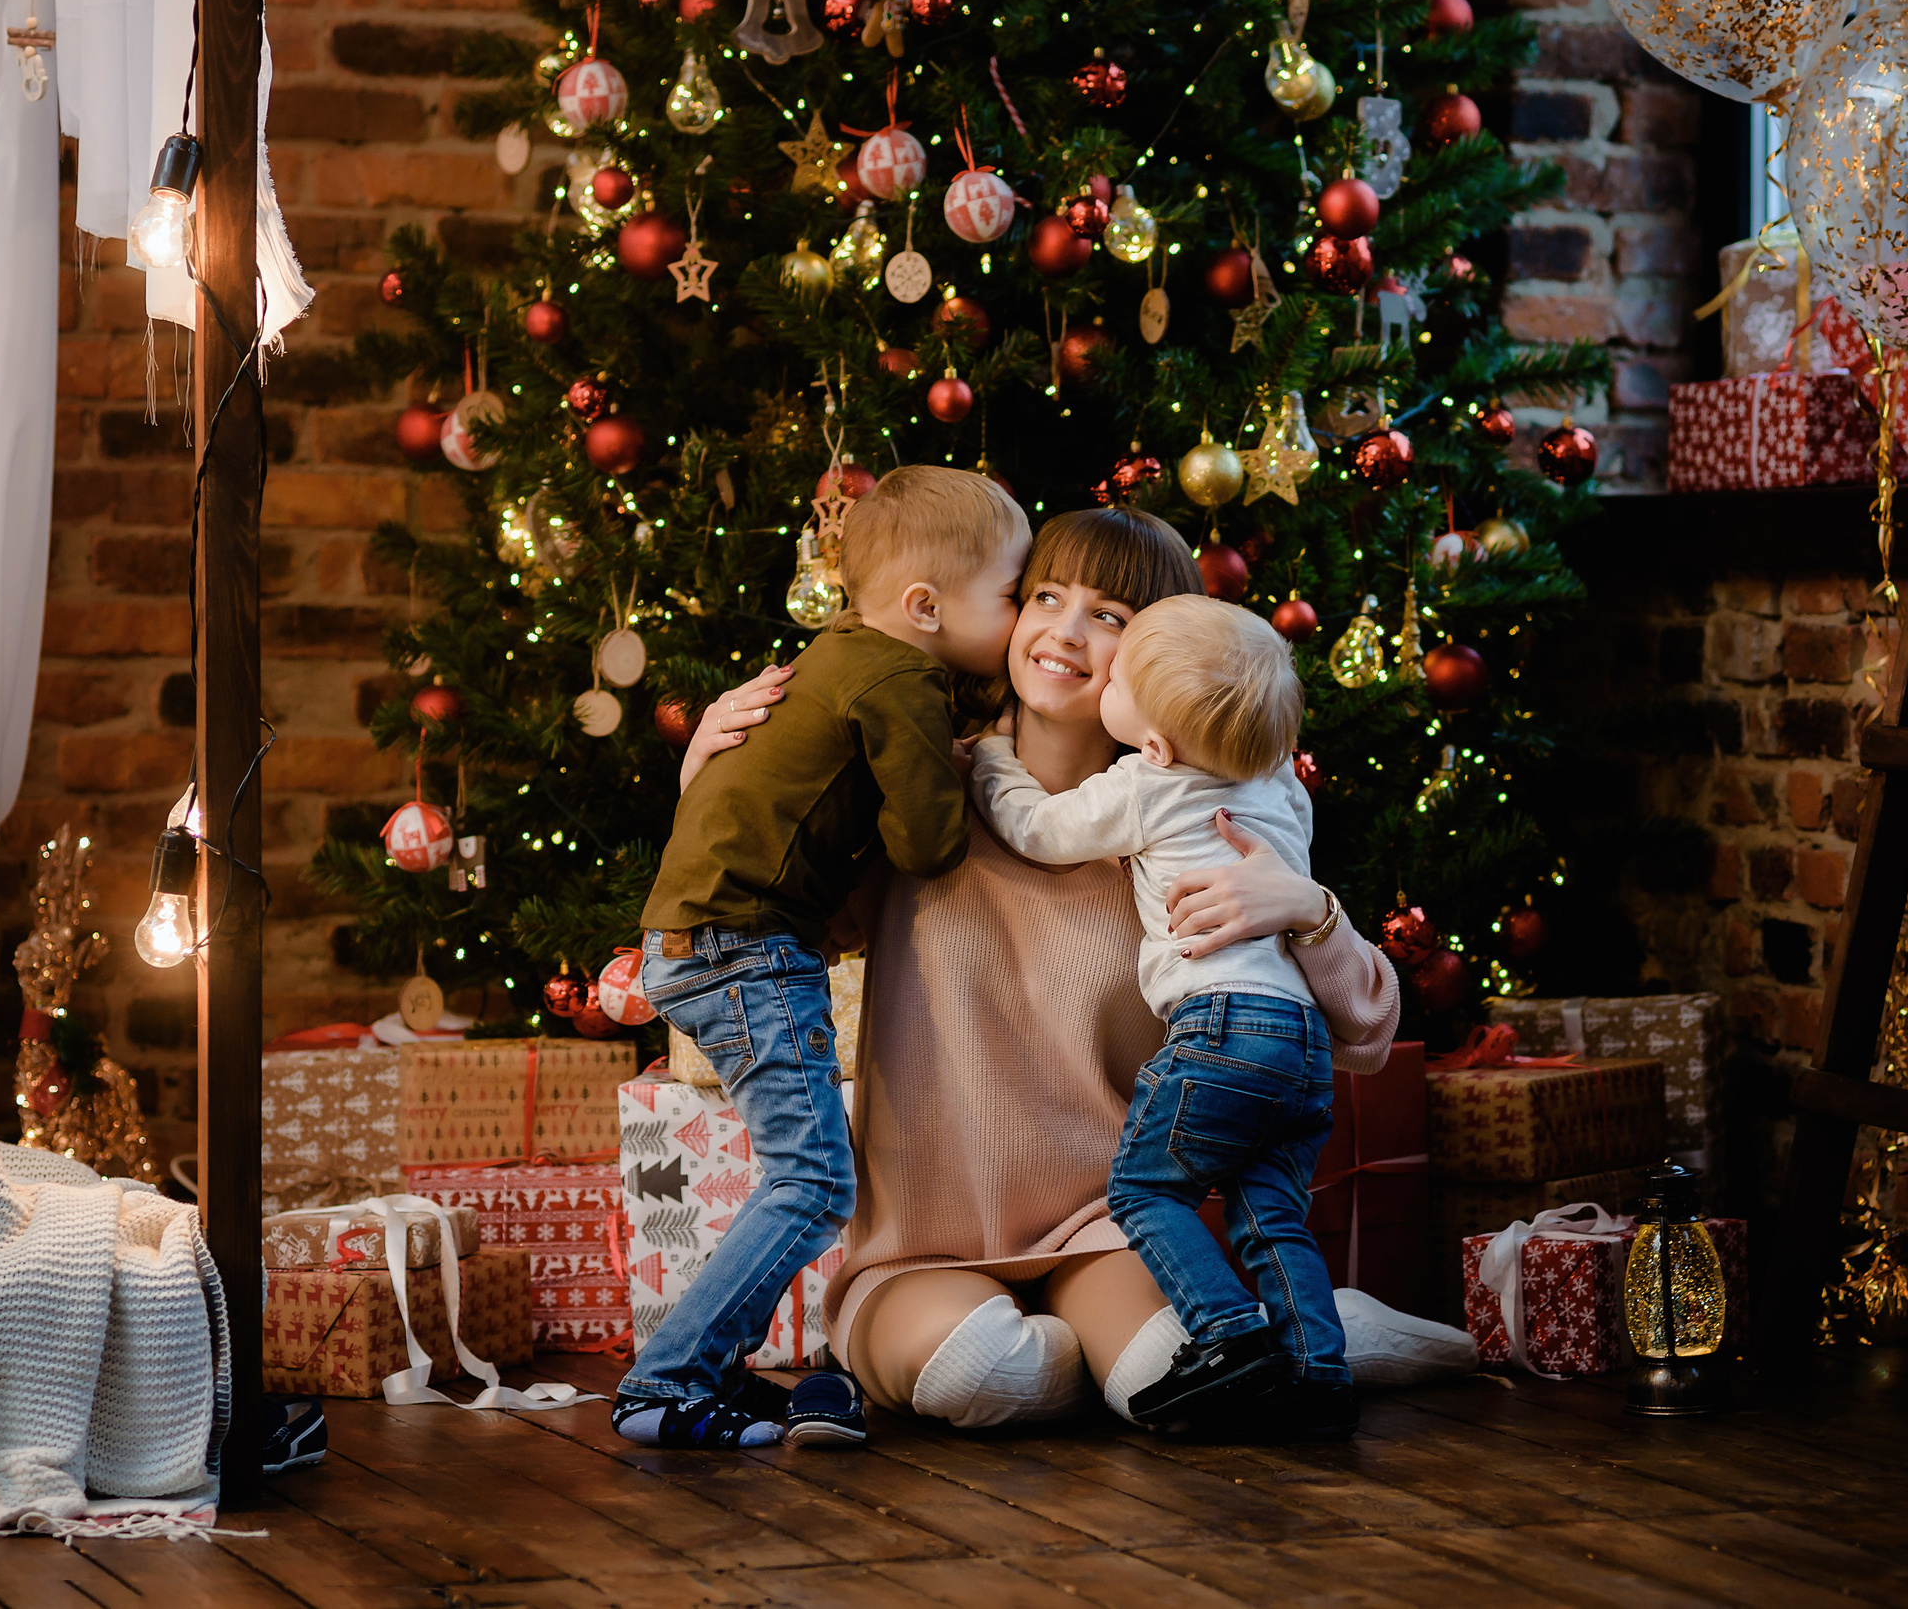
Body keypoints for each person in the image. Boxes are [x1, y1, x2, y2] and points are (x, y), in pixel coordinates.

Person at [675, 506, 1461, 1444]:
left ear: (1166, 652)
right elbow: (760, 927)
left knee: (1167, 1377)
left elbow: (1368, 1036)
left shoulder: (1191, 828)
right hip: (922, 1248)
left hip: (1106, 1226)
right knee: (989, 1369)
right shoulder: (917, 792)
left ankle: (1306, 1340)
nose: (1065, 631)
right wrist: (706, 783)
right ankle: (1306, 1328)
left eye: (1112, 615)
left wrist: (1307, 907)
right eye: (1045, 595)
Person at [616, 465, 1029, 1451]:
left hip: (694, 937)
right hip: (744, 946)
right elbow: (928, 843)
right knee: (811, 1179)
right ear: (924, 605)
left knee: (802, 1173)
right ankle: (666, 1381)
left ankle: (706, 1365)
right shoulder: (901, 676)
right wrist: (978, 756)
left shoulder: (840, 653)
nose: (1016, 617)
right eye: (1011, 593)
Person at [971, 596, 1349, 1435]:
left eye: (1120, 675)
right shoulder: (1282, 787)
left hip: (1220, 1023)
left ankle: (1227, 1333)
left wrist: (994, 755)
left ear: (1154, 743)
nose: (1102, 669)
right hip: (1303, 1039)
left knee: (1144, 1188)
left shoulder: (1147, 782)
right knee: (1270, 1211)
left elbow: (1034, 827)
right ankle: (1318, 1370)